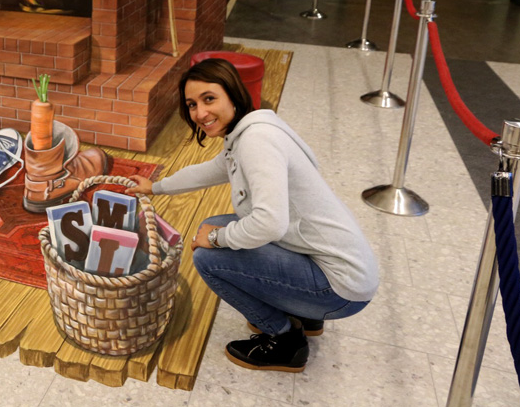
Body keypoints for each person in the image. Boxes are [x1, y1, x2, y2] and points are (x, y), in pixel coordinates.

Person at [126, 58, 378, 373]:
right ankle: (305, 314)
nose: (200, 113)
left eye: (209, 99)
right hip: (338, 265)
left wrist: (217, 240)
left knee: (207, 256)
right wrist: (157, 187)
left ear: (233, 95)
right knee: (219, 225)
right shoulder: (252, 131)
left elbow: (270, 223)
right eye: (192, 104)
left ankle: (284, 338)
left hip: (341, 290)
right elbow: (210, 170)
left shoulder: (256, 142)